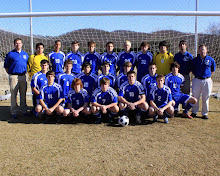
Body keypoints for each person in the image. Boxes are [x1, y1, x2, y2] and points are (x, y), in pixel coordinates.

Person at [4, 38, 29, 119]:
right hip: (14, 76)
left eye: (19, 43)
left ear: (22, 44)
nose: (18, 45)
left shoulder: (25, 54)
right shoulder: (10, 54)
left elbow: (28, 65)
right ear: (14, 44)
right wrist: (11, 74)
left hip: (23, 76)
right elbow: (6, 66)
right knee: (14, 94)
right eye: (16, 43)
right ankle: (14, 111)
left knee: (23, 94)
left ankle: (24, 110)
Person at [191, 44, 216, 119]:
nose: (202, 51)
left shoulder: (210, 59)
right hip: (197, 80)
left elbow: (212, 70)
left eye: (203, 49)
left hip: (207, 80)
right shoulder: (195, 60)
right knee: (195, 96)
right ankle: (194, 112)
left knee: (206, 97)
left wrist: (206, 76)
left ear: (206, 50)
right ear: (198, 51)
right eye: (201, 49)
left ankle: (204, 113)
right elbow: (192, 70)